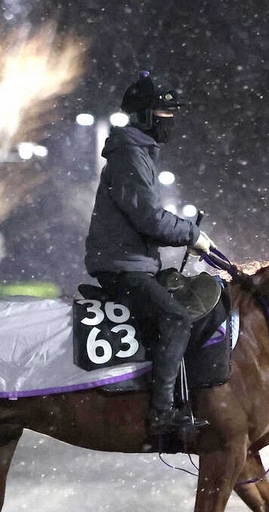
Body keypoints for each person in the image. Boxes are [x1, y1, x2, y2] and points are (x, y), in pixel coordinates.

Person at [84, 71, 215, 436]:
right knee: (175, 319)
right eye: (163, 113)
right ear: (143, 115)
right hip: (121, 268)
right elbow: (148, 218)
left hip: (134, 264)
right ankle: (162, 416)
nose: (170, 121)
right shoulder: (130, 155)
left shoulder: (139, 153)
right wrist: (192, 234)